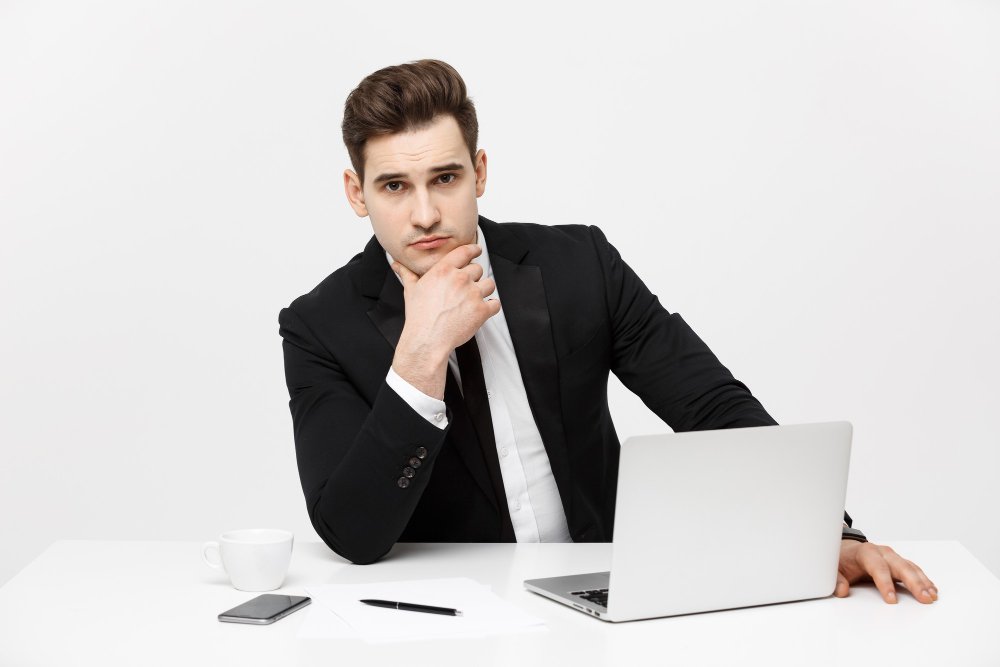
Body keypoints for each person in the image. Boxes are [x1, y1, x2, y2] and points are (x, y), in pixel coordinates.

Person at [278, 59, 937, 605]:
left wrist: (826, 534)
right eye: (395, 186)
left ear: (480, 172)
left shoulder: (578, 265)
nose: (425, 214)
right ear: (356, 192)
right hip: (446, 618)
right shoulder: (318, 325)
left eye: (445, 178)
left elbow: (710, 405)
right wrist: (421, 351)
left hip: (605, 598)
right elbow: (352, 532)